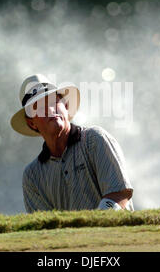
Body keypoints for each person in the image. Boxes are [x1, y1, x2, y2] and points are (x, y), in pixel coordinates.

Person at [10, 74, 134, 213]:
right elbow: (45, 227)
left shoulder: (94, 139)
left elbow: (119, 193)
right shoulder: (32, 175)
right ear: (31, 122)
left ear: (66, 106)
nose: (51, 110)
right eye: (39, 107)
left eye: (53, 102)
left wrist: (95, 227)